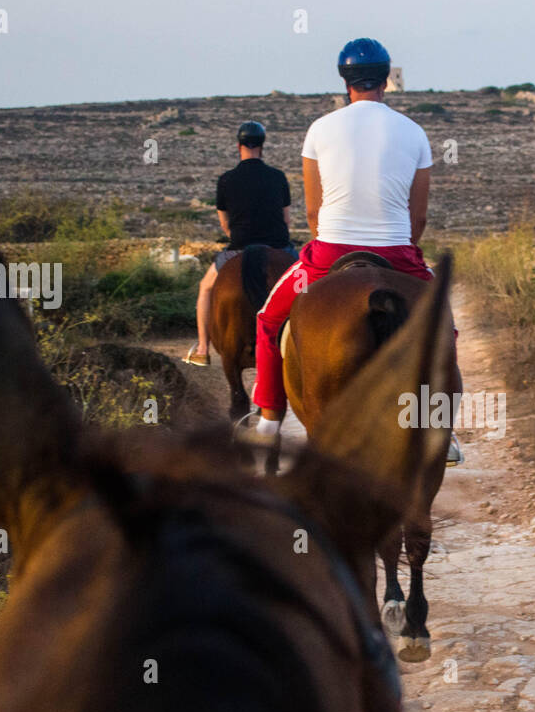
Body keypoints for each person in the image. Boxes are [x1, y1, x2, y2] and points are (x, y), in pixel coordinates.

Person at [251, 38, 462, 464]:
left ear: (344, 82)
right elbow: (417, 219)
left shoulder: (319, 130)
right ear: (386, 79)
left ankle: (269, 422)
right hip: (399, 253)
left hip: (329, 252)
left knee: (269, 319)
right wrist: (399, 247)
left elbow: (312, 211)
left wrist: (330, 241)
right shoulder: (415, 133)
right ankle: (442, 430)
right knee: (444, 328)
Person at [184, 121, 296, 366]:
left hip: (238, 249)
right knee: (309, 287)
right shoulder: (277, 177)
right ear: (262, 146)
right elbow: (286, 220)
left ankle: (203, 348)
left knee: (205, 288)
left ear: (238, 146)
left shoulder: (226, 180)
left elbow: (225, 225)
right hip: (279, 247)